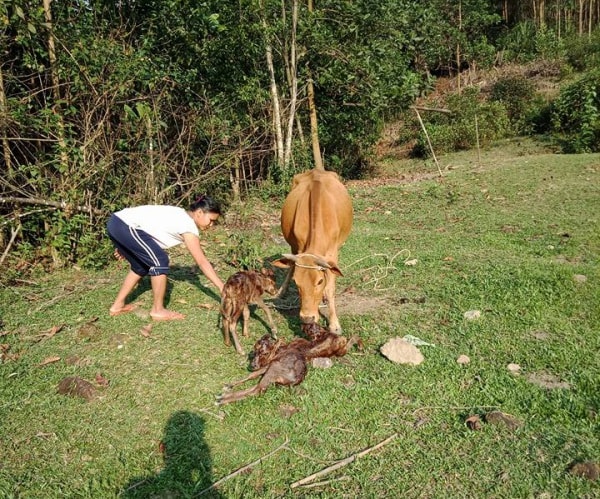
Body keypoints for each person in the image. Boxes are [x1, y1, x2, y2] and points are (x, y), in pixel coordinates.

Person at [106, 194, 224, 321]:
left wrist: (130, 244)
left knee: (140, 267)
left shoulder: (181, 214)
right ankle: (158, 310)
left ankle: (117, 306)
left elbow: (150, 226)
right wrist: (222, 287)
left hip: (118, 223)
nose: (212, 225)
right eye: (211, 220)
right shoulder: (188, 226)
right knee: (160, 261)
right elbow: (201, 261)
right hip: (125, 226)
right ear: (200, 212)